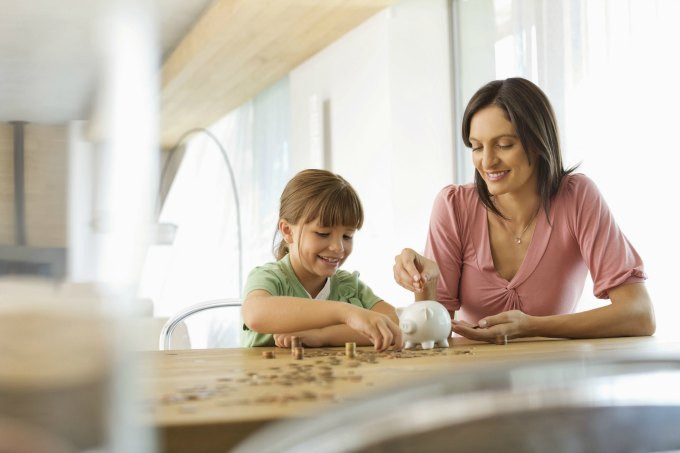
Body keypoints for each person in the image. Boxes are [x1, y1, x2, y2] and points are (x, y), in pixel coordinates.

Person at [393, 77, 655, 344]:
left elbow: (640, 314)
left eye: (505, 144)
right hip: (473, 378)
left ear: (539, 143)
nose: (487, 161)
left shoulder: (577, 197)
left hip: (555, 377)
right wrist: (425, 282)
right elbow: (437, 335)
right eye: (477, 147)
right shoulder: (453, 206)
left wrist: (530, 326)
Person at [241, 169, 402, 351]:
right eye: (323, 234)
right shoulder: (269, 278)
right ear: (287, 231)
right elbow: (255, 314)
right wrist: (346, 314)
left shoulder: (349, 286)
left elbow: (394, 322)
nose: (338, 248)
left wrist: (323, 335)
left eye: (347, 236)